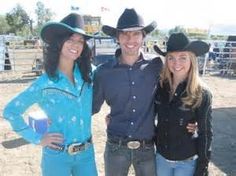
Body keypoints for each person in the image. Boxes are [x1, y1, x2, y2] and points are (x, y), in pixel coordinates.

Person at [3, 13, 98, 176]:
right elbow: (11, 111)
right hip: (57, 157)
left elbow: (113, 84)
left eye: (80, 41)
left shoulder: (89, 74)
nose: (76, 44)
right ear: (59, 43)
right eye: (70, 39)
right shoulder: (44, 83)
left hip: (86, 155)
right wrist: (38, 138)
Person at [92, 8, 161, 176]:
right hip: (116, 147)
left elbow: (178, 91)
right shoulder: (103, 72)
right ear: (117, 37)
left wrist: (191, 118)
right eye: (124, 34)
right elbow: (90, 107)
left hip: (147, 148)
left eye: (136, 34)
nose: (130, 39)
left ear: (144, 36)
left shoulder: (158, 66)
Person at [153, 32, 213, 176]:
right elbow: (147, 114)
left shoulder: (202, 93)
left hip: (187, 162)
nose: (176, 63)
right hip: (161, 158)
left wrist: (202, 166)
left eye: (183, 57)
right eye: (171, 58)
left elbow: (206, 133)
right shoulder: (159, 86)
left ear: (191, 60)